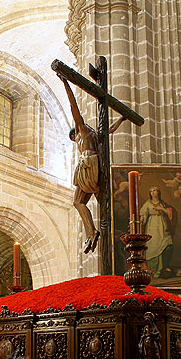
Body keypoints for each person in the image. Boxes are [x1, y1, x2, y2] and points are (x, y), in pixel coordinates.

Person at [58, 73, 125, 254]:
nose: (75, 141)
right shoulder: (96, 133)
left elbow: (74, 107)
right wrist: (121, 118)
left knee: (78, 201)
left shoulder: (81, 131)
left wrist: (65, 83)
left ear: (74, 134)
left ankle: (92, 232)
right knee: (100, 202)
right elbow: (110, 130)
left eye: (74, 139)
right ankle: (109, 232)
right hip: (99, 165)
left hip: (88, 164)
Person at [140, 187, 177, 277]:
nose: (153, 193)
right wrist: (140, 220)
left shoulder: (163, 204)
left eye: (154, 190)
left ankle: (164, 267)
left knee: (168, 244)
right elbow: (143, 215)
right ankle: (154, 269)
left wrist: (162, 209)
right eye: (151, 191)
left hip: (163, 225)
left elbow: (171, 213)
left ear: (158, 192)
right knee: (153, 246)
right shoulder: (147, 203)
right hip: (152, 226)